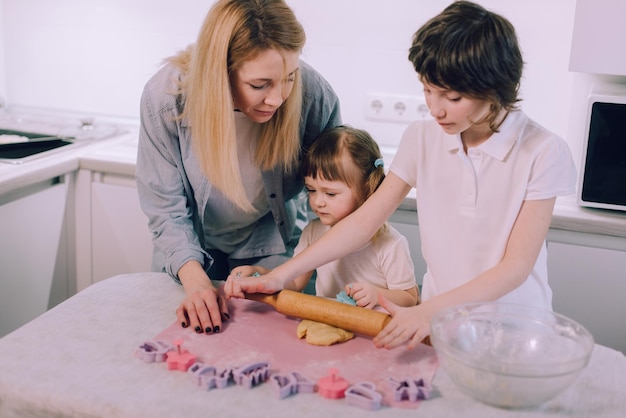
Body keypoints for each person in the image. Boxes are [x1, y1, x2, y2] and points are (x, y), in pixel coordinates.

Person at [225, 1, 577, 349]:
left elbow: (515, 267)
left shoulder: (542, 151)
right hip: (444, 326)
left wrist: (425, 311)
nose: (435, 108)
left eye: (452, 97)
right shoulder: (422, 138)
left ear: (496, 88)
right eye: (427, 90)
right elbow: (363, 223)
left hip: (515, 328)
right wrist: (280, 276)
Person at [136, 0, 341, 336]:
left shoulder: (314, 96)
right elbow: (165, 208)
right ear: (221, 73)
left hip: (273, 244)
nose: (277, 98)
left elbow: (336, 200)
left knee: (271, 341)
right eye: (260, 85)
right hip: (188, 243)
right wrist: (195, 280)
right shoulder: (165, 98)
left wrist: (289, 270)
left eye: (289, 78)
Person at [230, 125, 420, 308]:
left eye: (330, 194)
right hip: (326, 324)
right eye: (311, 190)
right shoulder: (313, 231)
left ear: (366, 190)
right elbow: (295, 283)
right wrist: (260, 275)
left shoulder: (389, 244)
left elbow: (410, 298)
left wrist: (378, 296)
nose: (318, 202)